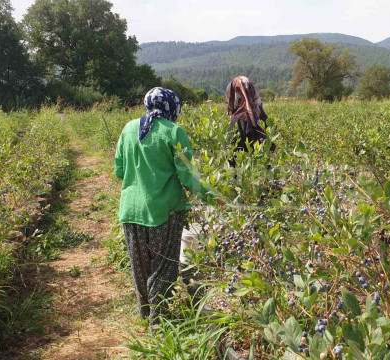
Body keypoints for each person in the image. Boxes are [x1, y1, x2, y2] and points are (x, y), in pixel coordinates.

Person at [114, 87, 216, 326]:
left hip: (130, 210)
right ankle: (158, 324)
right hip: (164, 211)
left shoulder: (129, 128)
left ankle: (146, 314)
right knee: (164, 267)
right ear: (173, 107)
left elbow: (119, 169)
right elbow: (189, 177)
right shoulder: (174, 132)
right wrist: (215, 197)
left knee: (140, 267)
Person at [226, 76, 275, 166]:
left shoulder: (235, 121)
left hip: (245, 175)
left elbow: (232, 157)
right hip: (265, 174)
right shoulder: (263, 116)